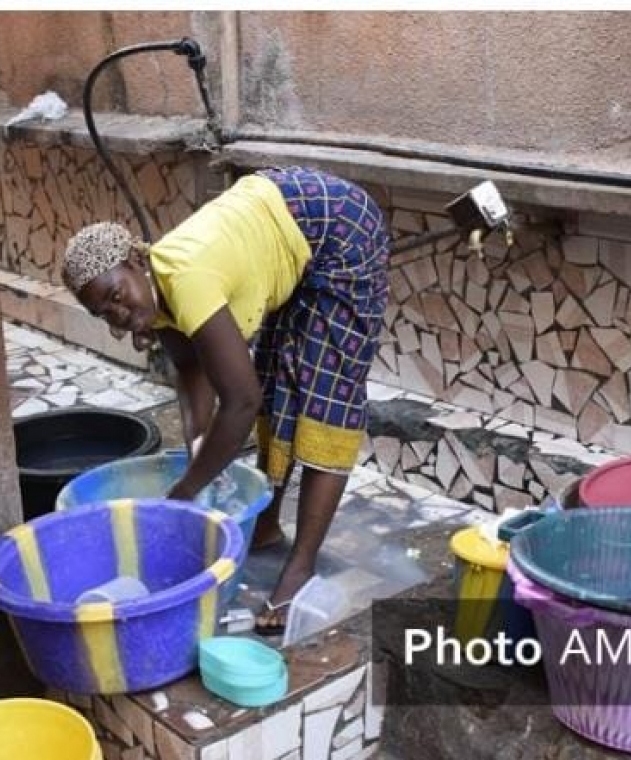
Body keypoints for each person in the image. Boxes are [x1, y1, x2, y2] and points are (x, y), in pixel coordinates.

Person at [61, 166, 389, 635]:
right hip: (284, 218)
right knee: (280, 379)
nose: (119, 313)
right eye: (103, 312)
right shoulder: (153, 298)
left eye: (116, 294)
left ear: (137, 261)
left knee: (325, 400)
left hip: (339, 228)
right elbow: (191, 367)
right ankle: (267, 527)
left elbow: (240, 402)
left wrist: (186, 491)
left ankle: (300, 570)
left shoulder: (187, 279)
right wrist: (197, 441)